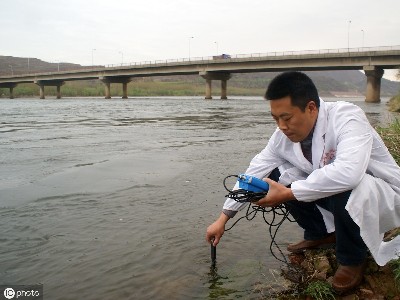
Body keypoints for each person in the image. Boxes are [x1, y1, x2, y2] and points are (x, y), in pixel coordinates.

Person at [205, 71, 400, 293]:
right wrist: (222, 219)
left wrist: (288, 194)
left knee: (345, 185)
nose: (281, 126)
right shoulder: (281, 138)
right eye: (276, 119)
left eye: (286, 118)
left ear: (311, 108)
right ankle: (321, 233)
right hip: (339, 196)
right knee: (275, 176)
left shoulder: (347, 117)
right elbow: (254, 173)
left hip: (381, 194)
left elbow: (349, 173)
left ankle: (352, 258)